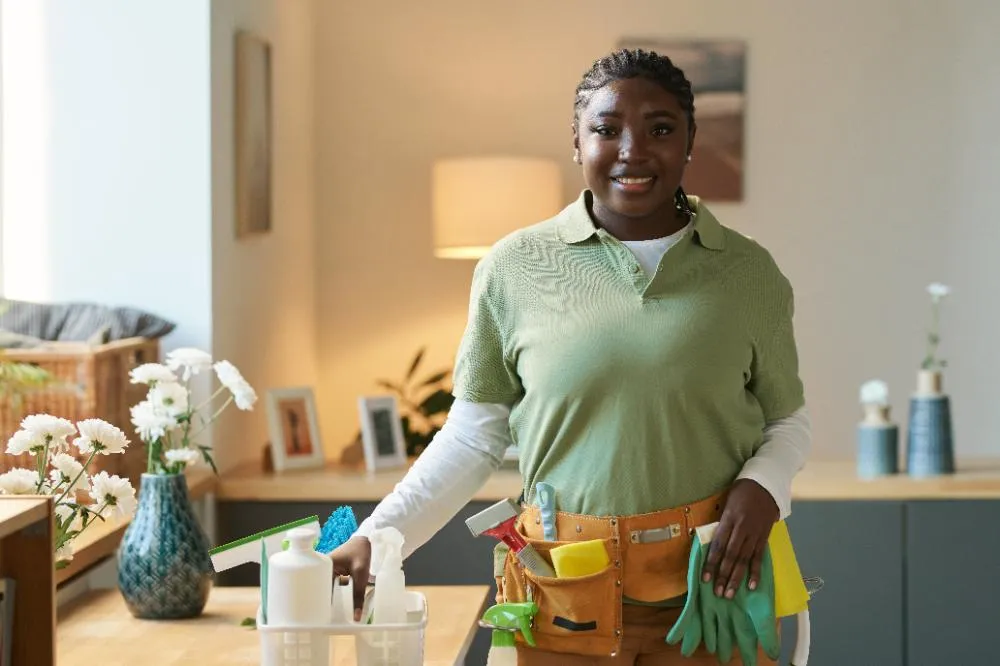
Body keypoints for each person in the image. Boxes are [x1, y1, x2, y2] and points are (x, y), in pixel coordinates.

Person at [329, 48, 811, 665]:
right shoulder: (513, 268)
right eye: (606, 130)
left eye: (661, 129)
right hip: (561, 601)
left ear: (690, 143)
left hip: (711, 596)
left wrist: (764, 486)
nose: (633, 150)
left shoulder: (749, 273)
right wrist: (378, 539)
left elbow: (786, 421)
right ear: (577, 143)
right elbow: (474, 437)